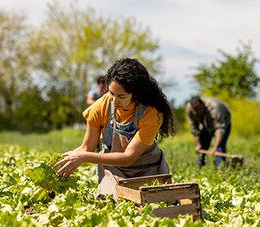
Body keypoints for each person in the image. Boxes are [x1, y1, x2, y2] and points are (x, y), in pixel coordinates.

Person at [55, 58, 174, 198]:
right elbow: (86, 148)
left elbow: (128, 157)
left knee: (150, 206)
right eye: (111, 93)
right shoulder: (100, 106)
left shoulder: (151, 114)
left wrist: (84, 157)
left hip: (147, 170)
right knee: (110, 202)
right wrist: (63, 162)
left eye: (121, 96)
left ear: (136, 95)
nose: (114, 100)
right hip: (114, 169)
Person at [185, 96, 231, 168]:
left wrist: (215, 147)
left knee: (220, 146)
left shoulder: (214, 108)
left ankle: (219, 168)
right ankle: (200, 167)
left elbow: (219, 129)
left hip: (223, 122)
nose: (198, 112)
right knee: (203, 144)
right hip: (206, 124)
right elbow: (194, 128)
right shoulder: (189, 109)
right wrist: (198, 144)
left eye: (200, 109)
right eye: (196, 110)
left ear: (203, 104)